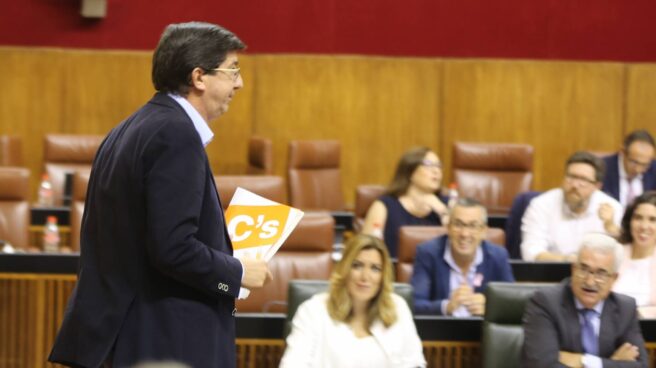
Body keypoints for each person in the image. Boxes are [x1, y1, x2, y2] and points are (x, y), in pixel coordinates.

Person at [48, 22, 272, 368]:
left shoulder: (129, 128)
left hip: (120, 334)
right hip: (159, 339)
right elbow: (172, 247)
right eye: (232, 70)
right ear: (199, 77)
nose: (239, 83)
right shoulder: (176, 135)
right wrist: (236, 272)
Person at [280, 234, 426, 368]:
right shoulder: (313, 311)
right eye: (357, 265)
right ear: (344, 269)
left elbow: (414, 363)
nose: (365, 276)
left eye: (375, 269)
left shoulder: (398, 307)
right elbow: (293, 364)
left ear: (383, 276)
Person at [522, 233, 648, 367]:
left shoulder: (625, 308)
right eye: (583, 269)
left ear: (614, 279)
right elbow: (542, 365)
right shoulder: (545, 302)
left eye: (601, 273)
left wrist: (586, 361)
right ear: (573, 269)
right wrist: (613, 362)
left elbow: (641, 365)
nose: (590, 281)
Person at [411, 198, 514, 316]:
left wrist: (490, 307)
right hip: (440, 331)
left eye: (473, 226)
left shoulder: (498, 256)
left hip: (480, 332)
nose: (464, 234)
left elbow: (512, 304)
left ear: (484, 231)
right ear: (448, 227)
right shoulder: (428, 253)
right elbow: (414, 303)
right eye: (458, 225)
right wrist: (446, 306)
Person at [521, 151, 623, 262]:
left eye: (583, 180)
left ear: (597, 186)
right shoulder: (541, 205)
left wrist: (611, 228)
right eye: (571, 177)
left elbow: (622, 258)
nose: (574, 185)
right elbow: (531, 253)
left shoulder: (613, 208)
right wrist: (569, 260)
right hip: (550, 274)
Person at [362, 146, 448, 258]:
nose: (436, 171)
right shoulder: (384, 206)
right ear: (410, 171)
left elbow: (461, 238)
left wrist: (442, 210)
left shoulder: (448, 204)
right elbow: (365, 251)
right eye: (428, 164)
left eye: (439, 166)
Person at [613, 191, 656, 318]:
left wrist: (638, 314)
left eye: (653, 220)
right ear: (629, 221)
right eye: (638, 218)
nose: (644, 226)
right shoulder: (614, 253)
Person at [602, 130, 656, 207]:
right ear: (622, 152)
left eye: (645, 165)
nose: (638, 170)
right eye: (634, 162)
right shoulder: (603, 168)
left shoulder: (654, 169)